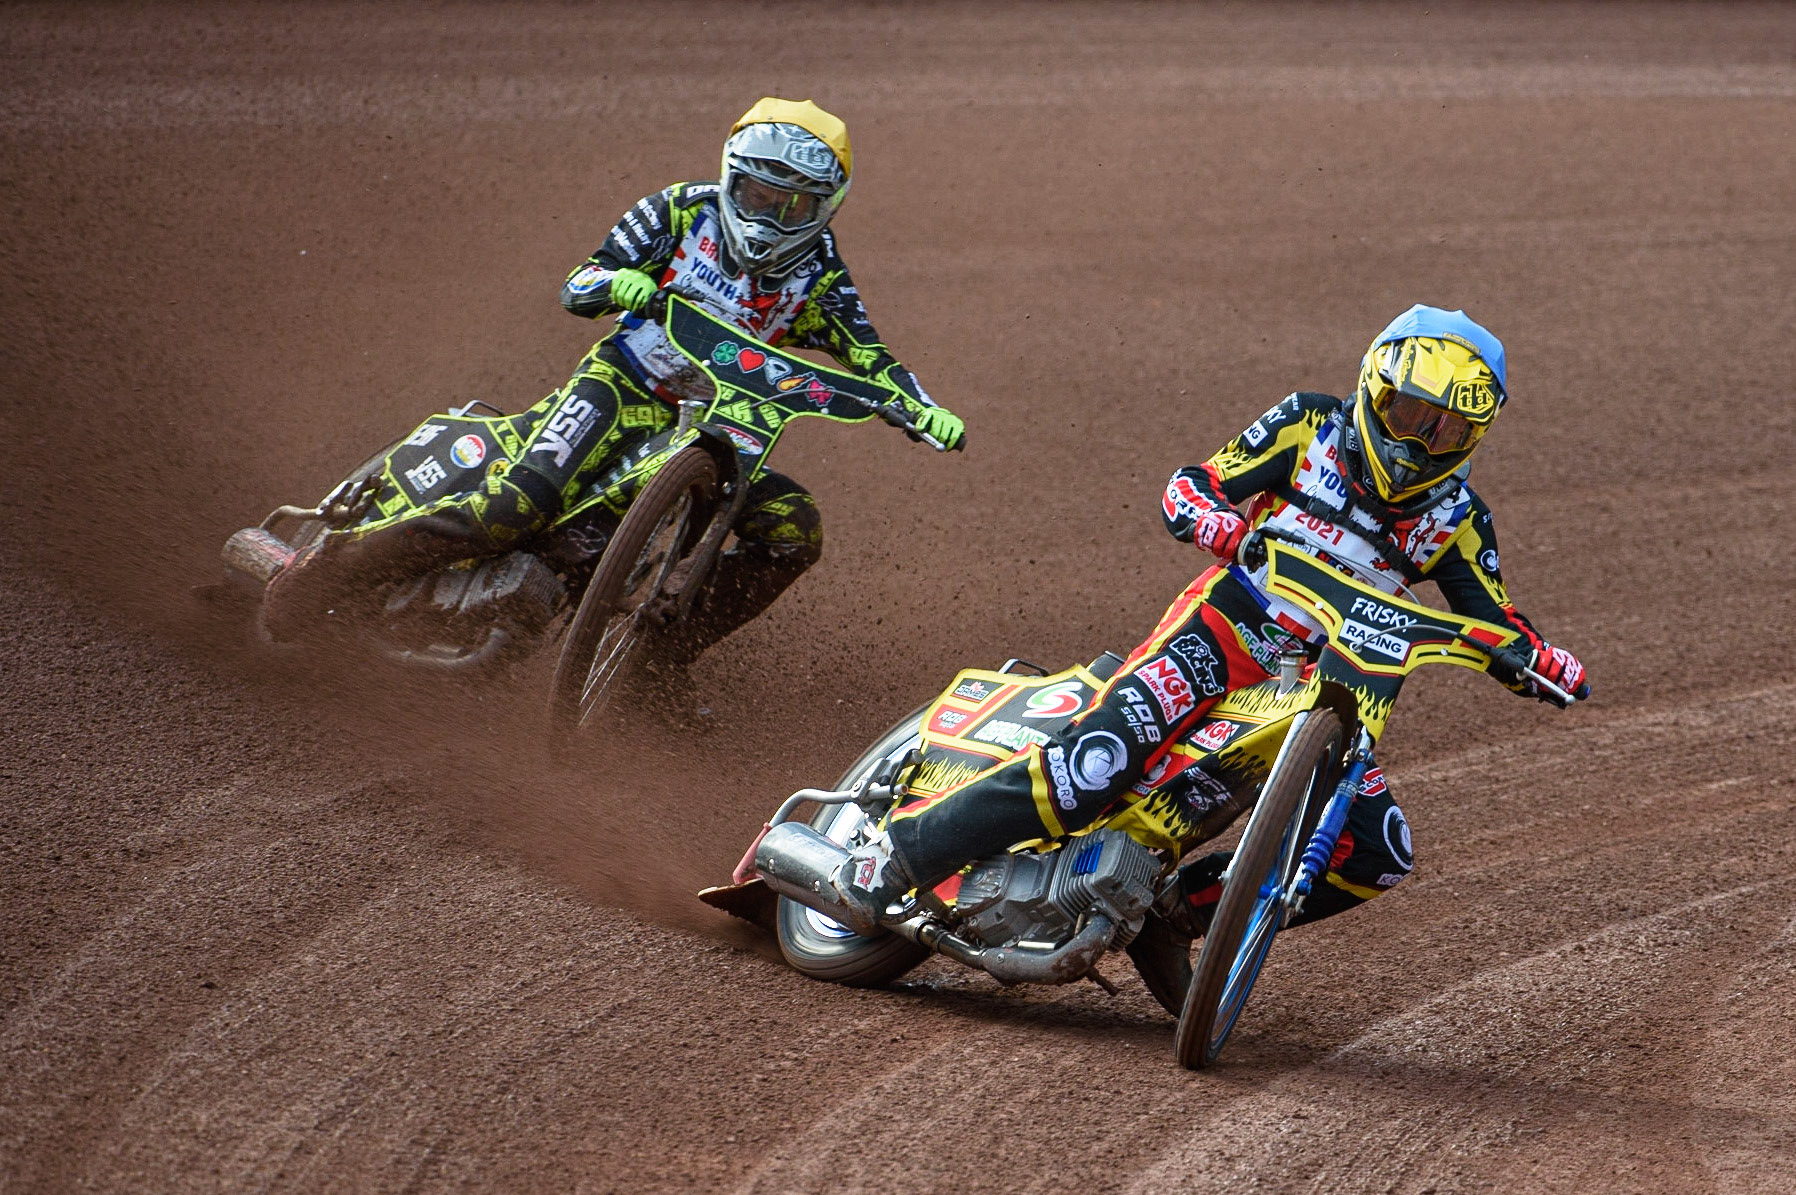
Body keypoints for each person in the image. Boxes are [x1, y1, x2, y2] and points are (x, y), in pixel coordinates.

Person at [827, 305, 1588, 937]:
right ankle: (894, 856)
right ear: (1372, 388)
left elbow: (1497, 624)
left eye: (1447, 430)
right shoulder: (1308, 425)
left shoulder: (1460, 520)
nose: (1421, 440)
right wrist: (1217, 524)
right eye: (1410, 413)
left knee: (1379, 851)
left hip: (1332, 686)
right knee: (1094, 764)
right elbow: (1193, 485)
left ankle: (1172, 919)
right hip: (1224, 633)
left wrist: (1542, 660)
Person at [264, 97, 964, 653]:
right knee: (518, 507)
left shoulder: (820, 277)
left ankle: (658, 666)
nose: (770, 213)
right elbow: (580, 282)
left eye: (793, 204)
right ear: (731, 175)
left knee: (794, 528)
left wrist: (922, 409)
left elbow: (872, 358)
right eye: (755, 192)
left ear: (825, 207)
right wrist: (621, 284)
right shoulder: (680, 210)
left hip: (728, 425)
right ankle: (334, 571)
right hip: (625, 384)